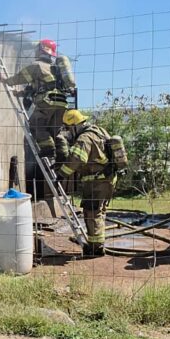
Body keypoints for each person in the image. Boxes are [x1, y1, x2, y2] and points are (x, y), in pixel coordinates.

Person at [56, 110, 116, 257]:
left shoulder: (84, 138)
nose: (69, 133)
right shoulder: (98, 131)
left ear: (75, 126)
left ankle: (95, 248)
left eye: (69, 129)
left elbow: (77, 159)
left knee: (92, 212)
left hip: (97, 181)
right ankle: (97, 245)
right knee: (98, 211)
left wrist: (61, 174)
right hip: (107, 178)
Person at [1, 39, 74, 161]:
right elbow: (38, 88)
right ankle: (61, 156)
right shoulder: (55, 69)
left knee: (35, 124)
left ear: (41, 51)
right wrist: (19, 93)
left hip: (47, 102)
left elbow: (20, 78)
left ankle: (49, 150)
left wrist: (6, 80)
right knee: (52, 131)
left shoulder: (37, 66)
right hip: (61, 103)